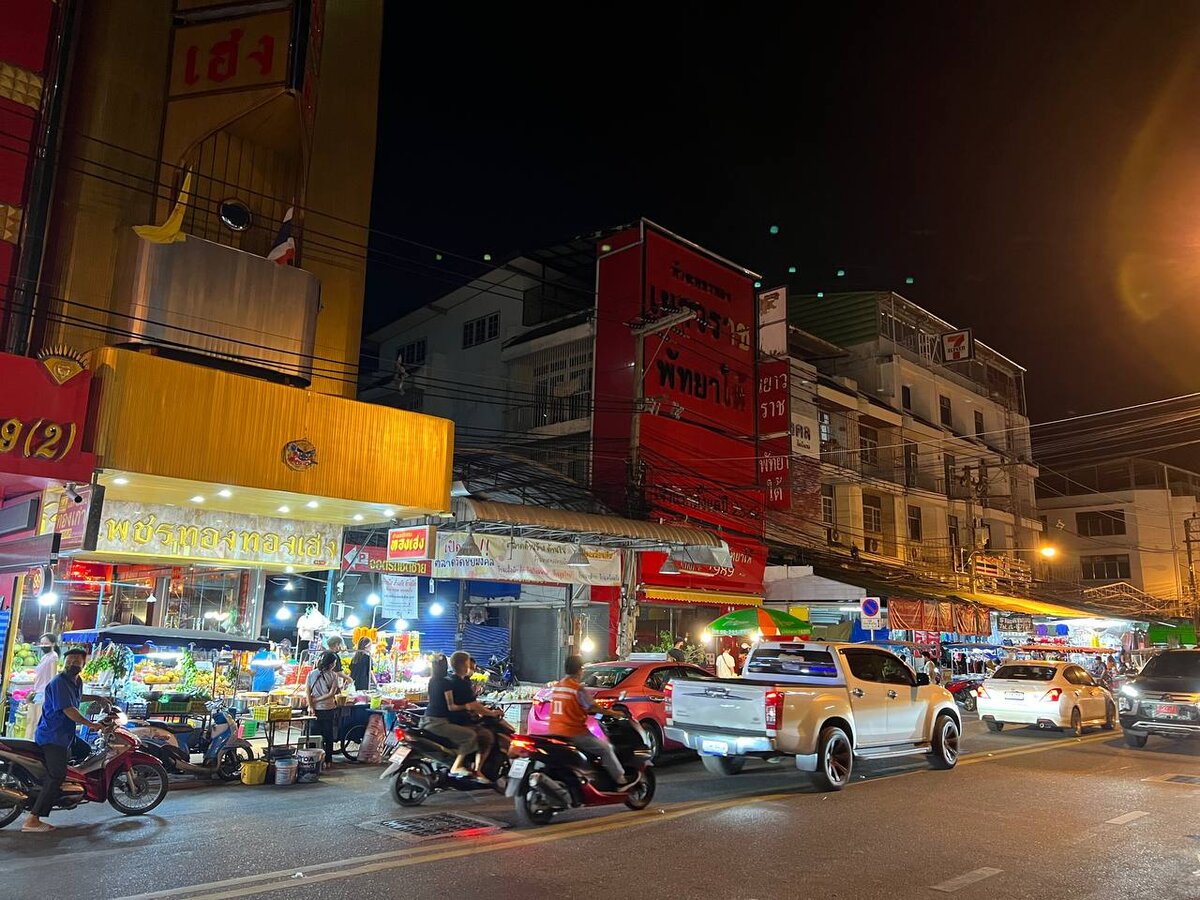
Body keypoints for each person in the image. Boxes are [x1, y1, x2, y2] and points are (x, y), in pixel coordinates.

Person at [22, 646, 111, 833]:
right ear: (64, 663)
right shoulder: (59, 682)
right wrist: (92, 725)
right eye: (69, 661)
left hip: (66, 735)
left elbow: (76, 699)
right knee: (57, 775)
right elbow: (69, 710)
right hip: (53, 736)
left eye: (76, 661)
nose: (72, 664)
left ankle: (67, 792)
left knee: (86, 752)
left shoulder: (77, 681)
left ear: (83, 664)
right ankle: (33, 819)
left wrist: (98, 698)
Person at [549, 655, 629, 786]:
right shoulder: (577, 688)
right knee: (605, 748)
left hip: (554, 731)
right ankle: (620, 779)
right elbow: (592, 706)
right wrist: (614, 714)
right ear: (580, 670)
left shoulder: (558, 686)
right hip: (574, 732)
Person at [421, 653, 500, 779]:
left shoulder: (433, 681)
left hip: (427, 718)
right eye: (469, 663)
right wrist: (467, 707)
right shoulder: (446, 683)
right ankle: (458, 767)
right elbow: (451, 706)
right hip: (439, 722)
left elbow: (432, 700)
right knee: (471, 736)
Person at [306, 651, 350, 767]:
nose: (335, 665)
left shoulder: (311, 674)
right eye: (334, 662)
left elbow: (307, 692)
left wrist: (311, 705)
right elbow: (331, 694)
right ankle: (328, 760)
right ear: (330, 664)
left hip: (314, 710)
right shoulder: (334, 675)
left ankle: (312, 760)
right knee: (328, 735)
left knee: (313, 736)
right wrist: (318, 700)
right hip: (328, 709)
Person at [25, 633, 59, 740]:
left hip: (44, 693)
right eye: (42, 643)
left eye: (46, 643)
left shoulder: (53, 657)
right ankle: (26, 740)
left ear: (53, 644)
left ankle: (33, 743)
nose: (43, 646)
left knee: (37, 720)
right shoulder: (44, 657)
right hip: (37, 692)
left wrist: (50, 695)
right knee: (30, 720)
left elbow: (53, 677)